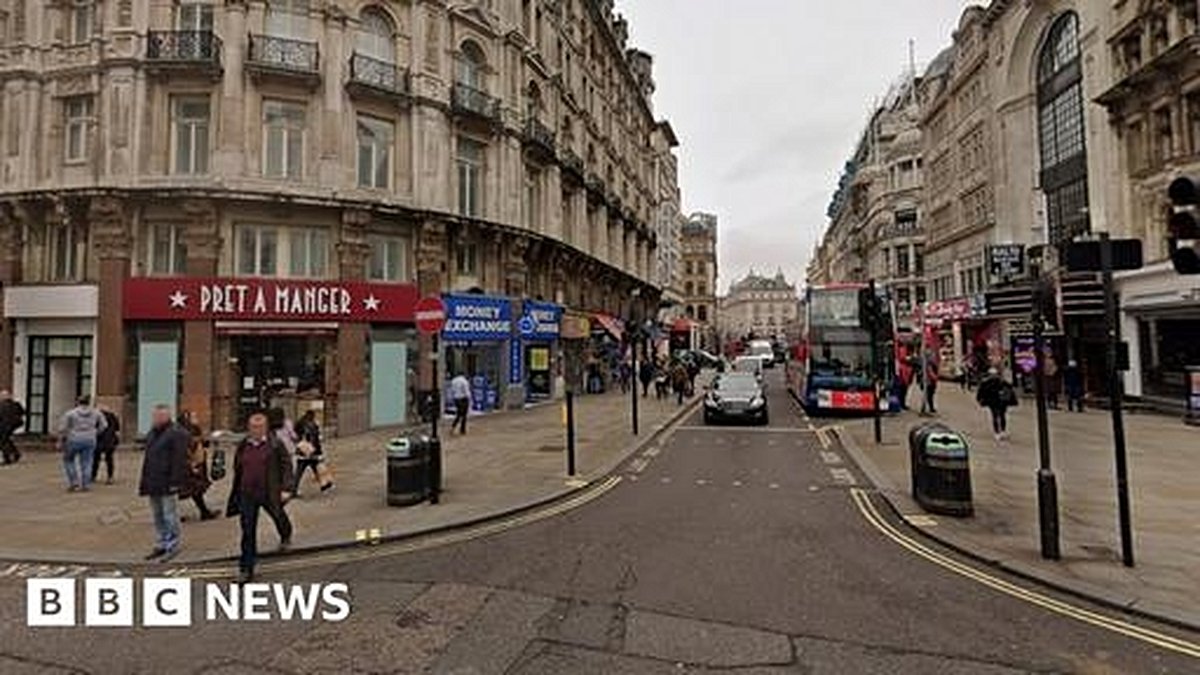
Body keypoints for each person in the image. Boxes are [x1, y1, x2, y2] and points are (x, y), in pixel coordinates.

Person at [226, 411, 294, 583]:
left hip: (268, 491)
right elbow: (238, 467)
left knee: (278, 515)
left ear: (265, 428)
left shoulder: (275, 444)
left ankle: (285, 534)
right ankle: (246, 569)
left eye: (259, 427)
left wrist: (286, 489)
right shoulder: (243, 445)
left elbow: (286, 466)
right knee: (247, 531)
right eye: (253, 427)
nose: (256, 430)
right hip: (247, 494)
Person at [137, 405, 190, 560]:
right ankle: (161, 542)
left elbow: (179, 460)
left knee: (169, 514)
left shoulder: (176, 433)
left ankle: (172, 544)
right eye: (155, 416)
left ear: (167, 417)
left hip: (168, 481)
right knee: (158, 514)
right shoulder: (153, 433)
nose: (155, 419)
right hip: (153, 480)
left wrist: (176, 482)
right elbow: (149, 458)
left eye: (159, 416)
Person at [177, 411, 219, 520]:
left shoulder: (195, 429)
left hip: (198, 464)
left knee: (196, 490)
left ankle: (204, 512)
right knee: (189, 489)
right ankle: (203, 512)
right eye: (193, 417)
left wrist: (205, 440)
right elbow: (187, 448)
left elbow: (203, 443)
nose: (196, 418)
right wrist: (191, 464)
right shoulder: (184, 433)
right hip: (190, 465)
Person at [60, 395, 107, 492]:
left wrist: (63, 437)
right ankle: (86, 484)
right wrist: (96, 432)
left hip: (73, 439)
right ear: (89, 402)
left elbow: (63, 428)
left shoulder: (71, 413)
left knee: (68, 460)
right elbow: (104, 425)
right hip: (90, 439)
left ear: (78, 402)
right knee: (87, 462)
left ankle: (74, 482)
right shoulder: (96, 413)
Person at [292, 409, 331, 496]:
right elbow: (315, 441)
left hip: (302, 452)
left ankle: (294, 489)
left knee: (299, 473)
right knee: (316, 469)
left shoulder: (299, 423)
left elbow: (296, 437)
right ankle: (324, 485)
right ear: (312, 416)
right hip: (311, 453)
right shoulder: (312, 425)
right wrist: (319, 452)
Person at [976, 368, 1018, 440]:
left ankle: (999, 432)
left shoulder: (986, 382)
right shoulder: (1001, 381)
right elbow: (1010, 389)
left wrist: (980, 399)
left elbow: (980, 393)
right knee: (1001, 416)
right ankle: (1001, 432)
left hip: (994, 402)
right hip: (1000, 401)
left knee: (996, 416)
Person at [91, 405, 120, 484]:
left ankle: (93, 476)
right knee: (109, 459)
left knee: (96, 459)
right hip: (110, 440)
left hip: (99, 440)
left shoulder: (96, 417)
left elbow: (95, 428)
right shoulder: (113, 416)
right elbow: (117, 430)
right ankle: (110, 477)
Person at [0, 390, 25, 465]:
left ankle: (7, 458)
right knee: (6, 439)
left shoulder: (2, 405)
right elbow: (22, 412)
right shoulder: (16, 404)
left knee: (3, 441)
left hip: (5, 425)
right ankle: (15, 453)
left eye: (1, 396)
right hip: (14, 424)